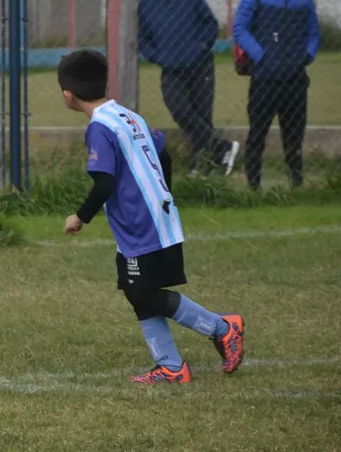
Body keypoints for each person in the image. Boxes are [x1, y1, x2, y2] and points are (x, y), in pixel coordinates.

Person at [57, 49, 244, 384]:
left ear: (68, 95)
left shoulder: (100, 128)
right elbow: (165, 154)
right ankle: (170, 366)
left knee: (143, 292)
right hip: (151, 218)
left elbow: (104, 183)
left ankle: (223, 327)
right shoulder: (127, 116)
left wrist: (80, 217)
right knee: (136, 289)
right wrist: (162, 195)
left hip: (142, 224)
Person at [138, 0, 238, 176]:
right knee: (180, 111)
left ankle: (199, 167)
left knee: (202, 117)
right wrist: (157, 56)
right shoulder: (145, 6)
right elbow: (143, 39)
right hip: (171, 69)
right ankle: (223, 147)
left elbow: (210, 23)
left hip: (200, 65)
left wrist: (200, 47)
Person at [232, 0, 320, 190]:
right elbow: (240, 28)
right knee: (257, 134)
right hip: (264, 79)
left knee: (294, 138)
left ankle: (297, 186)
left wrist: (307, 55)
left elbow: (314, 32)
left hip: (295, 78)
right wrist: (261, 56)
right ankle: (253, 187)